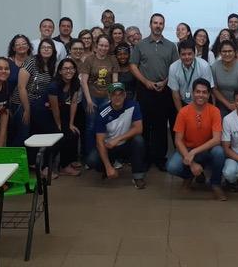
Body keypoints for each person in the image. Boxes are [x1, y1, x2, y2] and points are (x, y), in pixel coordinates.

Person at [129, 13, 179, 171]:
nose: (158, 25)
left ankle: (160, 158)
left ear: (163, 26)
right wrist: (145, 82)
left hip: (164, 91)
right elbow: (133, 66)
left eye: (161, 23)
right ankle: (145, 158)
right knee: (145, 125)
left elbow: (175, 67)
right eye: (155, 23)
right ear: (150, 25)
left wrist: (165, 82)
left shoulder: (171, 46)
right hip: (145, 90)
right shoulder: (140, 45)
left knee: (160, 127)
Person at [167, 78, 227, 201]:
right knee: (172, 167)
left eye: (204, 92)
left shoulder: (214, 111)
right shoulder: (183, 112)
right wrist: (192, 162)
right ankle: (190, 176)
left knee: (219, 152)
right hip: (188, 149)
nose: (201, 95)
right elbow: (178, 140)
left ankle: (215, 184)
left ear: (209, 94)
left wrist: (194, 152)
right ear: (193, 93)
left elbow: (216, 139)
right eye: (198, 91)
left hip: (207, 149)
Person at [86, 82, 147, 189]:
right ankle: (108, 168)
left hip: (126, 143)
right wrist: (108, 167)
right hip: (109, 146)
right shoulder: (102, 112)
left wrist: (118, 139)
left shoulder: (133, 105)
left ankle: (138, 177)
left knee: (139, 140)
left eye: (120, 94)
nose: (117, 97)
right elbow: (99, 141)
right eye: (114, 94)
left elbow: (139, 128)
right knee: (92, 160)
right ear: (109, 96)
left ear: (124, 95)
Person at [13, 39, 57, 147]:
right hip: (22, 104)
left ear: (53, 50)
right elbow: (21, 87)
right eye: (43, 47)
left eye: (49, 47)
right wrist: (27, 109)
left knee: (35, 134)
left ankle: (31, 162)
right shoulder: (31, 61)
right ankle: (14, 161)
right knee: (23, 134)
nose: (46, 49)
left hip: (37, 104)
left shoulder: (52, 65)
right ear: (39, 50)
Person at [80, 35, 118, 159]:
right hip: (91, 98)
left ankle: (106, 155)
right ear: (96, 46)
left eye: (106, 45)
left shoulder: (112, 59)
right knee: (91, 126)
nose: (103, 48)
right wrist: (89, 100)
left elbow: (115, 82)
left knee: (107, 126)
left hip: (107, 99)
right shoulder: (89, 60)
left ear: (109, 47)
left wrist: (112, 99)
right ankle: (90, 155)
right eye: (101, 45)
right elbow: (84, 81)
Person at [47, 58, 81, 176]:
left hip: (63, 111)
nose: (69, 71)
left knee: (73, 133)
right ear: (60, 71)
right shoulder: (54, 85)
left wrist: (71, 123)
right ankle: (46, 166)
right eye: (65, 68)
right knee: (60, 135)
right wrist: (59, 125)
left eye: (71, 68)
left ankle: (66, 164)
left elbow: (73, 102)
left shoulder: (76, 83)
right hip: (47, 112)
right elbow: (54, 108)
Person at [168, 39, 214, 112]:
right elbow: (175, 94)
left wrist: (201, 112)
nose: (187, 57)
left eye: (189, 54)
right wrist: (181, 114)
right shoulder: (173, 67)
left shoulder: (204, 65)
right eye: (183, 54)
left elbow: (206, 91)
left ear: (194, 53)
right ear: (179, 55)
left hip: (202, 101)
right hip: (182, 102)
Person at [211, 40, 238, 117]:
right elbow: (214, 89)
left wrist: (236, 104)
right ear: (220, 53)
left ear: (235, 52)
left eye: (230, 51)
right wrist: (228, 104)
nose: (227, 54)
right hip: (223, 102)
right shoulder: (215, 67)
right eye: (224, 51)